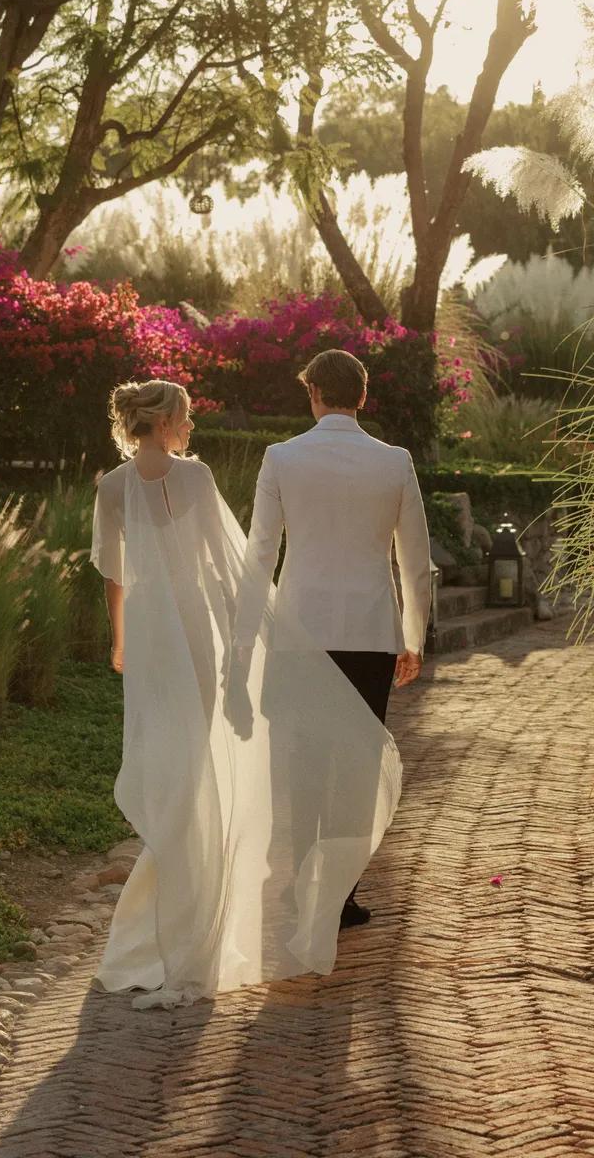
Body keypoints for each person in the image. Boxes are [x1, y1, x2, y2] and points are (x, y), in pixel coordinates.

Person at [90, 378, 401, 1010]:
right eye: (186, 417)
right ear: (165, 419)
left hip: (151, 634)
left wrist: (121, 642)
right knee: (200, 760)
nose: (191, 428)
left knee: (168, 760)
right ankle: (194, 903)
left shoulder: (112, 488)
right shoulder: (197, 479)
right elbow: (225, 566)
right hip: (194, 630)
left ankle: (171, 899)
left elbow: (114, 580)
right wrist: (242, 644)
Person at [234, 348, 431, 925]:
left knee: (303, 763)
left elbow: (260, 554)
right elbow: (414, 560)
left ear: (314, 394)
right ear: (363, 396)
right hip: (370, 633)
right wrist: (413, 636)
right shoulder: (394, 461)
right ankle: (340, 896)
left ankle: (302, 886)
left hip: (299, 632)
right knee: (356, 766)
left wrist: (246, 637)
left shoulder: (282, 457)